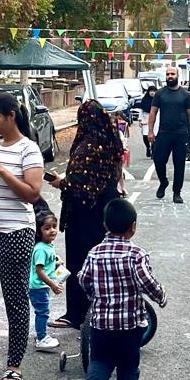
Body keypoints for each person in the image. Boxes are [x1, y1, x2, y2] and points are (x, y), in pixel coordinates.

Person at [0, 91, 46, 380]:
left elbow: (31, 193)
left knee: (16, 298)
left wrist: (0, 168)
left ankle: (14, 364)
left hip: (16, 231)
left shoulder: (28, 150)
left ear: (11, 116)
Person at [78, 197, 166, 380]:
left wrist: (93, 296)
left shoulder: (94, 253)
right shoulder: (136, 254)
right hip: (130, 325)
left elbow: (83, 279)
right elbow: (148, 283)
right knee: (128, 367)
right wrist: (161, 297)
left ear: (105, 225)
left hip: (100, 324)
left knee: (99, 361)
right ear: (133, 227)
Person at [46, 99, 125, 331]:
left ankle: (77, 314)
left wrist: (62, 182)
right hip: (103, 213)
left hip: (83, 214)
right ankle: (98, 309)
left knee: (79, 262)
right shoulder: (110, 141)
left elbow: (82, 187)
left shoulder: (88, 145)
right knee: (98, 262)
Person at [147, 67, 190, 203]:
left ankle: (177, 192)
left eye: (172, 74)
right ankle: (163, 182)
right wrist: (150, 131)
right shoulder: (160, 94)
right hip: (164, 133)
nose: (170, 76)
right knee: (158, 159)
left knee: (179, 164)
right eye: (168, 74)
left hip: (181, 134)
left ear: (177, 75)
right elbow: (153, 112)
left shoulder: (185, 95)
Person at [29, 211, 63, 353]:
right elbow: (40, 271)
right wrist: (53, 284)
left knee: (43, 311)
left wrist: (56, 262)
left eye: (54, 226)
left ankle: (41, 336)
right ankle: (41, 337)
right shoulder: (41, 249)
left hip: (42, 286)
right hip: (38, 287)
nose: (52, 230)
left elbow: (47, 263)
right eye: (47, 228)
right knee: (42, 312)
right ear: (40, 230)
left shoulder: (47, 246)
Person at [136, 85, 157, 157]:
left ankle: (153, 150)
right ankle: (148, 147)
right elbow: (141, 110)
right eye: (151, 91)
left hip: (156, 119)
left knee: (155, 135)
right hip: (145, 119)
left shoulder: (158, 100)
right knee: (145, 136)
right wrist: (140, 120)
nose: (152, 93)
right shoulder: (144, 100)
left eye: (154, 91)